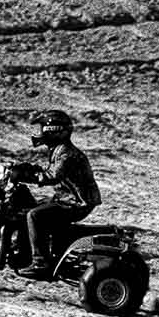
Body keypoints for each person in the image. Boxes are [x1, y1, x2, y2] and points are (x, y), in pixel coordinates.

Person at [13, 109, 100, 278]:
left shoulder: (66, 153)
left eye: (42, 128)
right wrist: (27, 168)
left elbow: (52, 176)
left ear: (53, 131)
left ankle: (41, 263)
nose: (39, 133)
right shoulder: (59, 149)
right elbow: (51, 171)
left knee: (34, 216)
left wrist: (26, 176)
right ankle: (24, 252)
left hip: (76, 203)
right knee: (30, 208)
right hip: (66, 198)